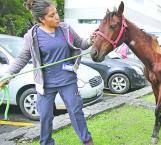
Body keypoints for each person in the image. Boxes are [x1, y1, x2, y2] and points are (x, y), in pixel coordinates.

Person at [0, 0, 94, 145]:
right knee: (45, 115)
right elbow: (22, 58)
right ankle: (46, 142)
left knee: (76, 111)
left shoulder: (65, 29)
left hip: (67, 80)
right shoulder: (32, 36)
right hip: (45, 84)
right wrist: (8, 75)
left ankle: (87, 141)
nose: (57, 17)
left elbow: (81, 43)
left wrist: (91, 40)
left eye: (56, 12)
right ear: (41, 19)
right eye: (52, 15)